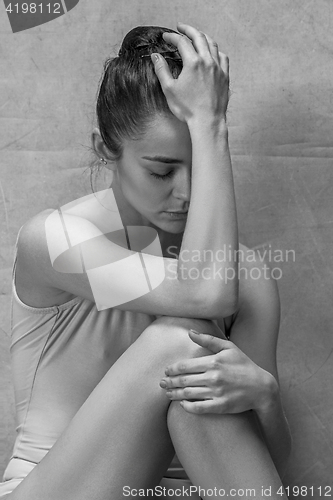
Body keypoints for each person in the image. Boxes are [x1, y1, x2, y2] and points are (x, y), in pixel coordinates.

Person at [0, 22, 292, 500]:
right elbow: (203, 292)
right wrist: (209, 122)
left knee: (198, 395)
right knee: (181, 341)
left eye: (202, 165)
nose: (187, 193)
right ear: (104, 150)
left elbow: (266, 467)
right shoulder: (55, 239)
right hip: (58, 490)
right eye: (161, 170)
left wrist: (265, 396)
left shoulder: (250, 276)